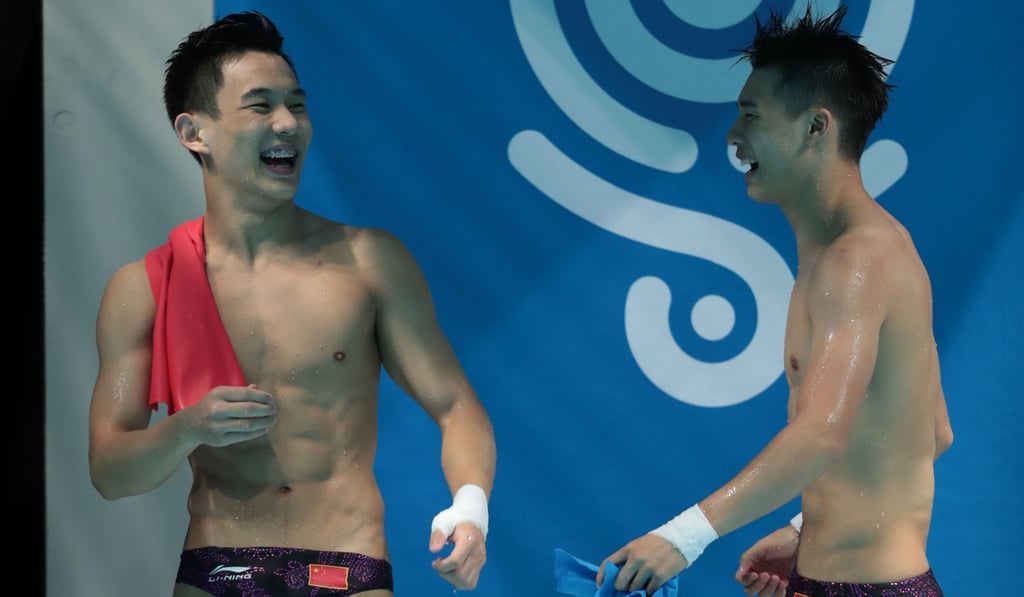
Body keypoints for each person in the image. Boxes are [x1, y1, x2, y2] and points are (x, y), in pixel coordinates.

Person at [87, 11, 496, 597]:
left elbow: (458, 407)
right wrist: (186, 430)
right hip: (217, 569)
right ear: (193, 132)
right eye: (260, 106)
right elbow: (109, 472)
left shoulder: (368, 261)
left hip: (346, 565)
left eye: (297, 105)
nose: (288, 123)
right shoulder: (147, 286)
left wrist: (471, 510)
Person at [596, 5, 952, 596]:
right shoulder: (865, 250)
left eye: (751, 116)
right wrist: (806, 527)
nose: (734, 137)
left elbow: (819, 435)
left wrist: (681, 537)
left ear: (817, 126)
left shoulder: (855, 262)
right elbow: (933, 430)